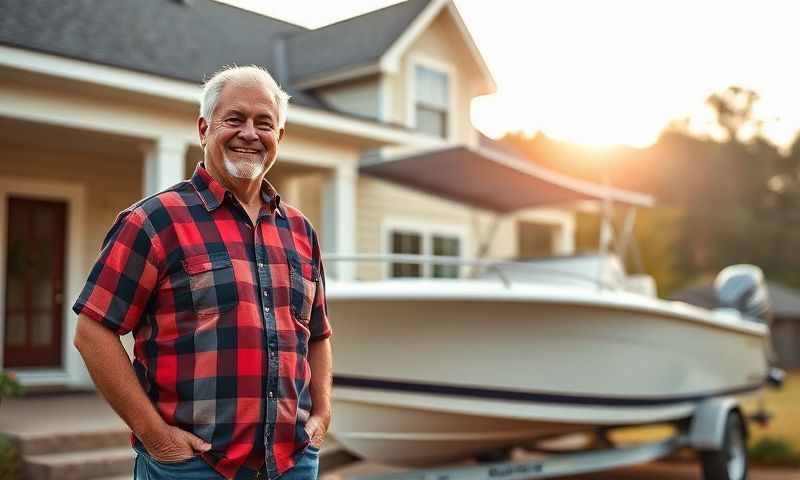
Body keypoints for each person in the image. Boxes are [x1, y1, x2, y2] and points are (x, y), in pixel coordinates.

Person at [72, 65, 332, 480]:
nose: (250, 133)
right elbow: (92, 331)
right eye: (234, 119)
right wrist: (155, 436)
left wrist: (321, 413)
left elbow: (316, 333)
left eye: (264, 123)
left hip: (292, 462)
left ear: (278, 138)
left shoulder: (300, 231)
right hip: (193, 466)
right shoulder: (153, 222)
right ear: (203, 128)